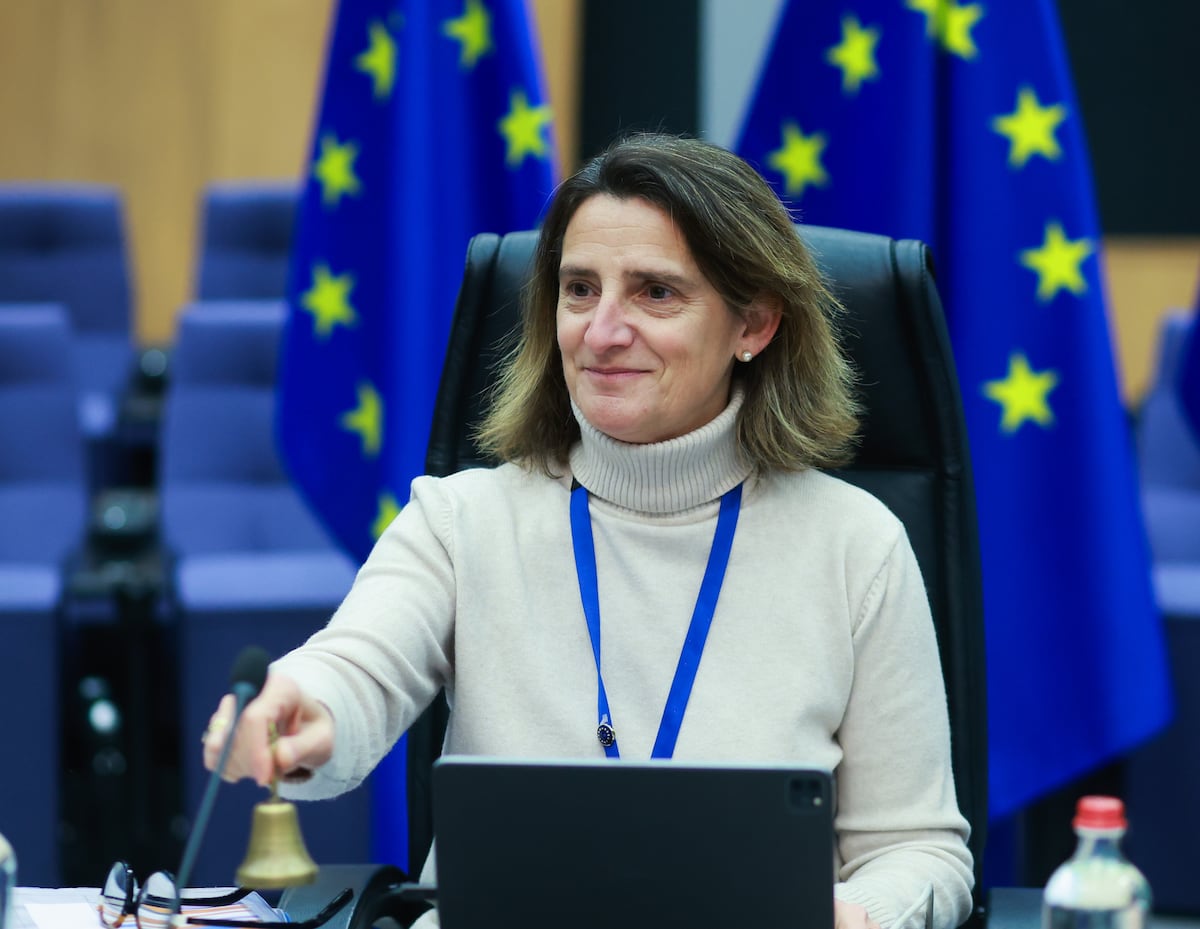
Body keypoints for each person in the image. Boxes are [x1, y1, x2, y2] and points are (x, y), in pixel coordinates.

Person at [203, 133, 974, 929]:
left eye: (655, 293)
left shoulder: (858, 545)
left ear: (755, 324)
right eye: (579, 289)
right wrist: (304, 708)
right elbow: (355, 672)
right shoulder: (461, 521)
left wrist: (861, 915)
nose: (602, 332)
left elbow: (923, 850)